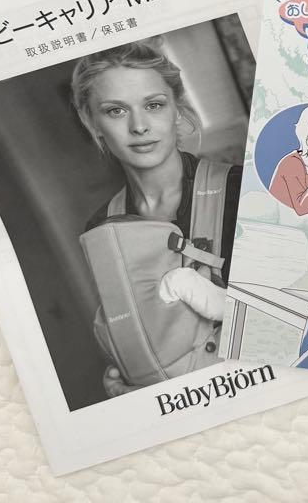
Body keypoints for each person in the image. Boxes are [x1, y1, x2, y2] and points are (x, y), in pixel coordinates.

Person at [74, 41, 241, 399]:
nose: (139, 126)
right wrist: (132, 382)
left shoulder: (243, 190)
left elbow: (298, 324)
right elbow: (140, 330)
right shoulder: (101, 230)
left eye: (153, 105)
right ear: (92, 122)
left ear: (177, 109)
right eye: (116, 111)